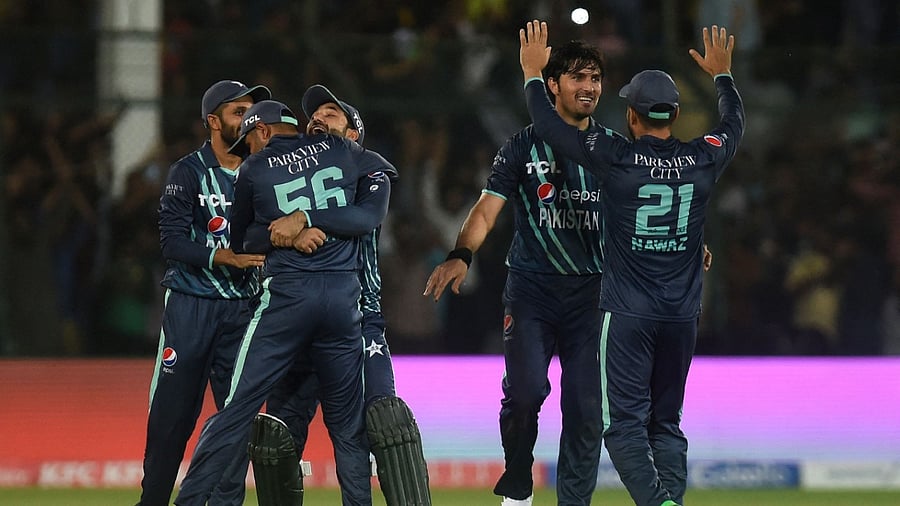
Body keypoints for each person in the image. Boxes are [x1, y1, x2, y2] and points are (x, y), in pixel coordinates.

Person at [520, 21, 744, 506]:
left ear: (631, 115)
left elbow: (550, 128)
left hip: (627, 316)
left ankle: (660, 504)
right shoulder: (703, 159)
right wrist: (723, 77)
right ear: (676, 114)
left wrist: (533, 76)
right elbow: (732, 127)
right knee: (665, 423)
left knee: (622, 428)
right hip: (682, 317)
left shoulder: (616, 157)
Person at [174, 99, 396, 506]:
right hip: (343, 303)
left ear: (261, 133)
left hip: (286, 301)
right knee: (348, 429)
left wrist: (300, 222)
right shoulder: (345, 152)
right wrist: (299, 227)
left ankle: (189, 502)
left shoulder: (254, 169)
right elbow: (367, 212)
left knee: (236, 411)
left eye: (248, 141)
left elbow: (243, 241)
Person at [424, 40, 614, 506]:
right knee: (526, 393)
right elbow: (487, 210)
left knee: (587, 410)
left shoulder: (611, 148)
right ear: (551, 86)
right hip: (532, 291)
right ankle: (518, 484)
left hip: (592, 295)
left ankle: (574, 501)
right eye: (578, 77)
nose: (589, 87)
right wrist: (461, 254)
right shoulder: (521, 146)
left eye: (595, 78)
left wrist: (687, 246)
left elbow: (644, 207)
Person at [258, 84, 430, 505]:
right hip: (297, 317)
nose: (317, 118)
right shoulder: (283, 176)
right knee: (276, 439)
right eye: (313, 115)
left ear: (354, 133)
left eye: (331, 114)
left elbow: (365, 217)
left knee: (389, 426)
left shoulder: (366, 171)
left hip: (358, 319)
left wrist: (304, 216)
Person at [136, 79, 270, 506]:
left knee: (236, 422)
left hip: (243, 312)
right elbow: (171, 243)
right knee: (172, 420)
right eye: (237, 112)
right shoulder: (187, 172)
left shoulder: (265, 171)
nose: (248, 120)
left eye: (252, 111)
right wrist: (222, 258)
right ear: (213, 121)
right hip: (192, 307)